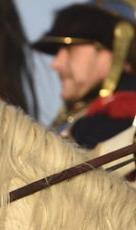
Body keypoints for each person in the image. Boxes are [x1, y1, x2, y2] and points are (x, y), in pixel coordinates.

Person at [31, 0, 136, 155]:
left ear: (115, 48)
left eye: (69, 49)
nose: (56, 64)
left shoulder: (125, 114)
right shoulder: (82, 116)